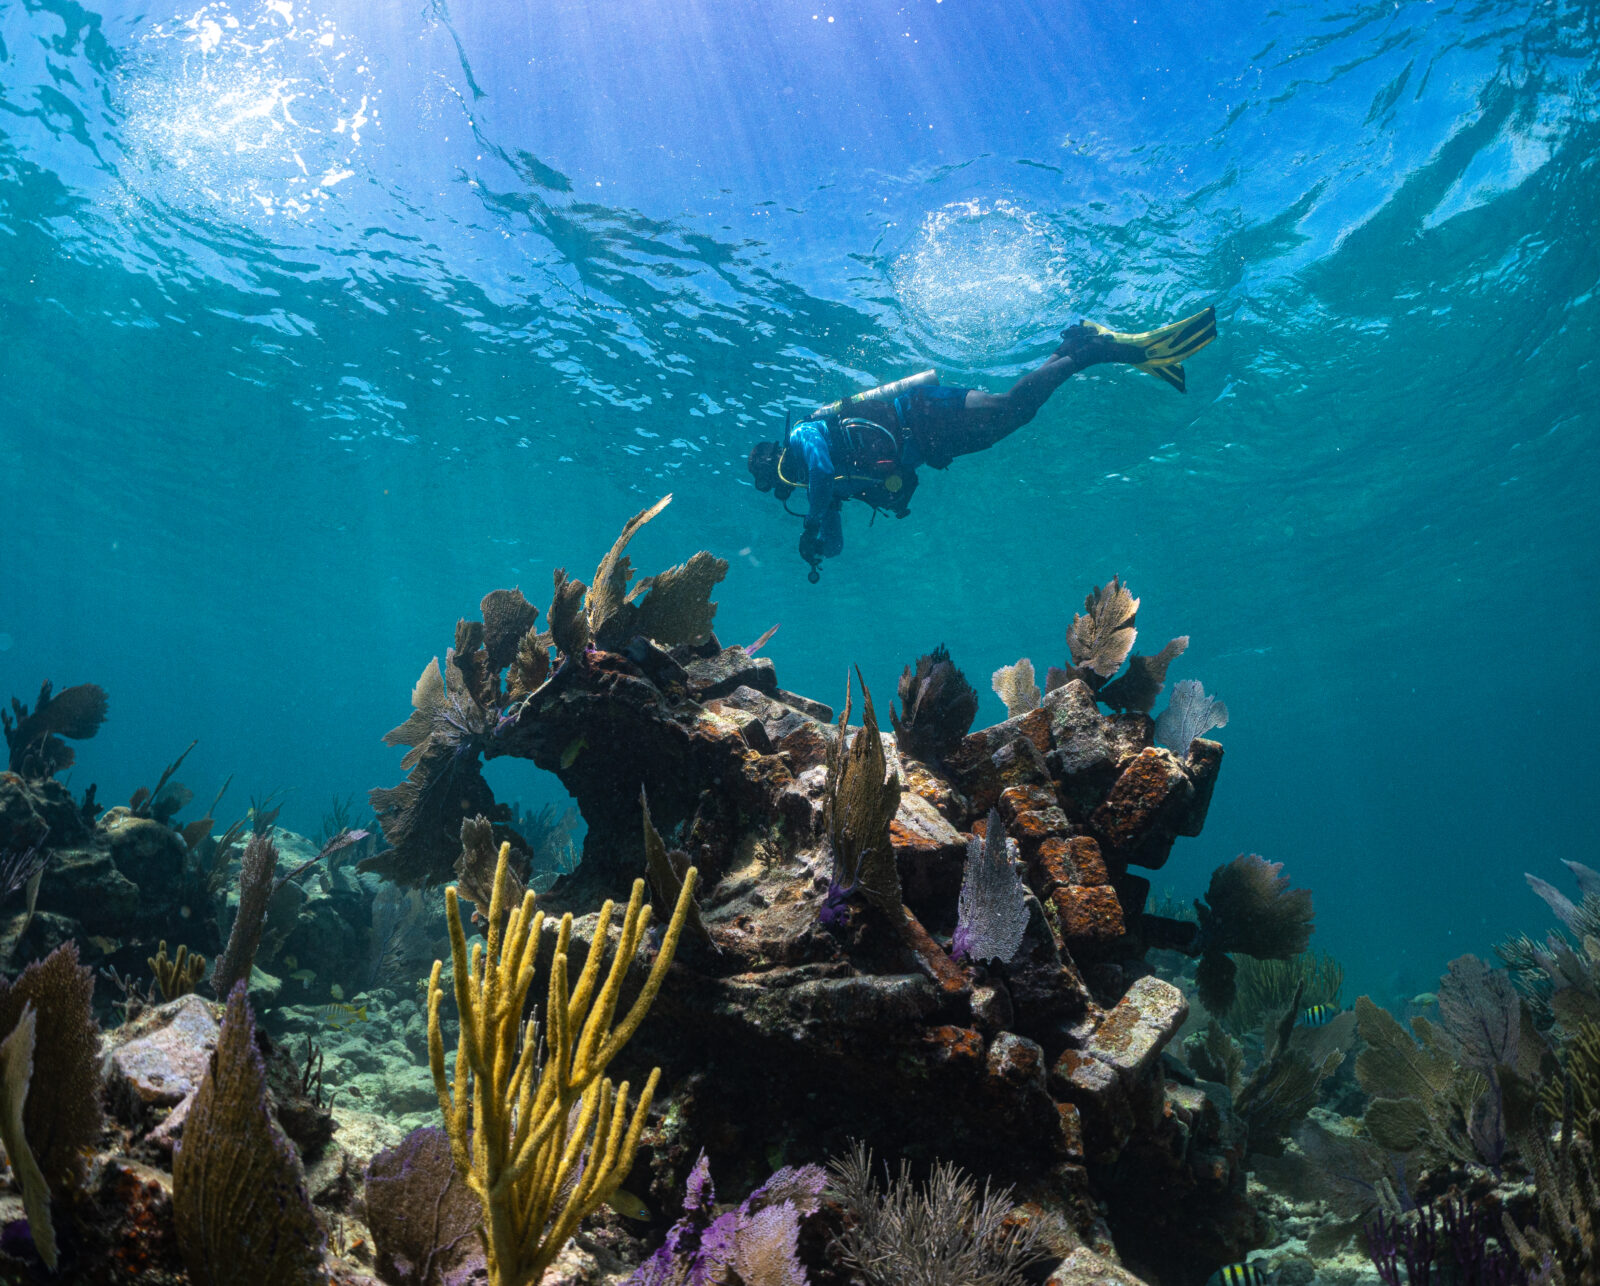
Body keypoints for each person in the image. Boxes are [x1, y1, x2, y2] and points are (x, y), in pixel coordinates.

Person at [746, 307, 1217, 581]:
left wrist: (809, 519)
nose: (779, 477)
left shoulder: (805, 435)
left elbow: (824, 473)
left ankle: (1096, 352)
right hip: (929, 446)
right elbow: (836, 544)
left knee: (1013, 408)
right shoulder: (818, 491)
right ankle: (1078, 343)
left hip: (922, 410)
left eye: (772, 470)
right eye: (772, 478)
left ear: (776, 456)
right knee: (1014, 418)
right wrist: (816, 548)